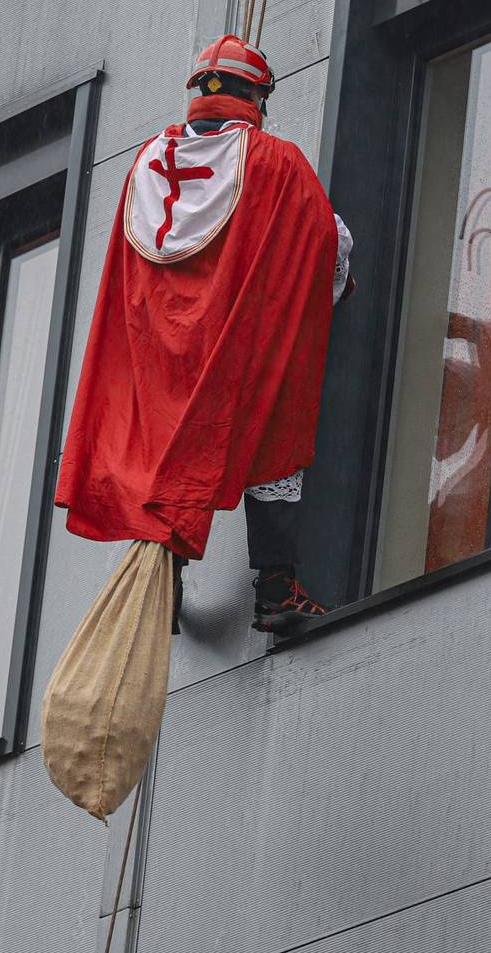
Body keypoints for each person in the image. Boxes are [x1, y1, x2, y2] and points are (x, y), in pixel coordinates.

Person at [55, 35, 351, 635]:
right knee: (273, 439)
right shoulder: (273, 160)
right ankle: (276, 588)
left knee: (160, 452)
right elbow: (324, 244)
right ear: (256, 97)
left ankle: (162, 585)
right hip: (233, 346)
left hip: (156, 352)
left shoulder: (145, 163)